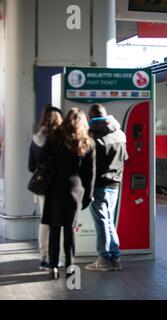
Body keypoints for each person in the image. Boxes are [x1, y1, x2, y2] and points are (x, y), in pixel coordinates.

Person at [42, 108, 96, 279]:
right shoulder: (88, 142)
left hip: (55, 187)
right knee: (69, 228)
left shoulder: (55, 137)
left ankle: (53, 266)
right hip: (75, 189)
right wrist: (89, 195)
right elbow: (90, 173)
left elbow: (43, 159)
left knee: (54, 228)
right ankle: (70, 265)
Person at [85, 104, 128, 272]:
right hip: (115, 184)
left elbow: (88, 164)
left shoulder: (92, 138)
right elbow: (126, 157)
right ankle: (115, 258)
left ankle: (104, 259)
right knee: (108, 221)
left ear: (90, 117)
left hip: (99, 185)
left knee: (102, 223)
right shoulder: (120, 134)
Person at [28, 105, 63, 270]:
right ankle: (58, 257)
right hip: (59, 185)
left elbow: (30, 166)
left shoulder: (36, 137)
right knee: (59, 223)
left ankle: (43, 257)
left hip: (42, 186)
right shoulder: (61, 138)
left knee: (45, 221)